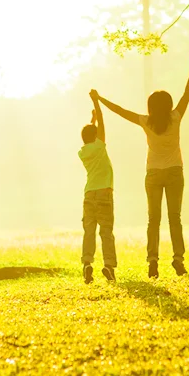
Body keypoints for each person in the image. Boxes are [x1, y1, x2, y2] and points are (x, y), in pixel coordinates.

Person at [92, 59, 189, 279]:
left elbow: (120, 111)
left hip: (153, 174)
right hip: (175, 171)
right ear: (168, 105)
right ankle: (178, 259)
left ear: (151, 106)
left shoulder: (145, 121)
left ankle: (152, 261)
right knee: (175, 217)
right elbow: (187, 93)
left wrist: (99, 100)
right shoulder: (176, 117)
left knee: (153, 219)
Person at [78, 92, 116, 284]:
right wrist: (96, 101)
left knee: (89, 231)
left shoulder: (83, 151)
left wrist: (91, 120)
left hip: (89, 193)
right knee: (106, 231)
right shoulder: (100, 147)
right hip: (104, 193)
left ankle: (87, 263)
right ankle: (108, 265)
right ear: (96, 136)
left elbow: (89, 134)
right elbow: (102, 123)